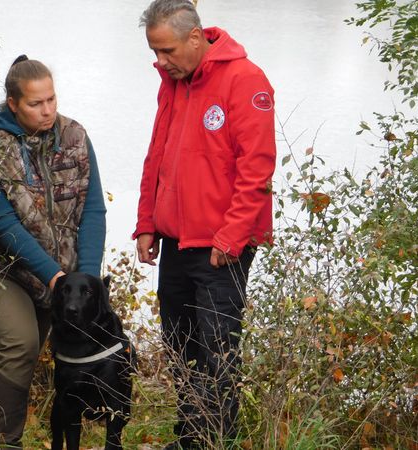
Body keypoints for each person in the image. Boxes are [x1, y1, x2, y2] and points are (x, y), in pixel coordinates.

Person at [133, 1, 276, 448]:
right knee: (180, 347)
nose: (160, 61)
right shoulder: (172, 83)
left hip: (220, 246)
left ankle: (216, 440)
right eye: (155, 52)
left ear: (195, 37)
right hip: (175, 241)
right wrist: (145, 222)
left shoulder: (245, 80)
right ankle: (190, 436)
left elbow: (257, 171)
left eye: (167, 50)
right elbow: (157, 154)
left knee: (217, 352)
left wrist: (231, 237)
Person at [0, 55, 106, 449]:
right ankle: (1, 444)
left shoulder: (75, 136)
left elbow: (93, 208)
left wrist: (84, 281)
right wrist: (56, 277)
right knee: (20, 344)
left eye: (52, 100)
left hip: (56, 277)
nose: (47, 110)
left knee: (41, 352)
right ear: (12, 104)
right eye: (36, 103)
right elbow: (2, 224)